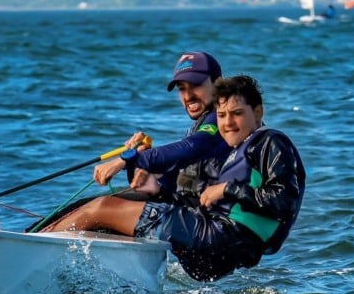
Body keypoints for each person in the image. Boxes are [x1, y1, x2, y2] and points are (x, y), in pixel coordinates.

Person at [42, 75, 306, 282]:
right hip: (213, 250)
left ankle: (32, 250)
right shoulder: (233, 153)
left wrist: (226, 189)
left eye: (237, 114)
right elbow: (189, 199)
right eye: (222, 115)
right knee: (110, 217)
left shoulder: (270, 142)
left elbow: (283, 201)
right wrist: (154, 187)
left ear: (257, 113)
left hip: (222, 239)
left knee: (101, 209)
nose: (227, 123)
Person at [26, 51, 230, 232]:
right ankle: (29, 237)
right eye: (181, 89)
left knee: (97, 208)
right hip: (186, 213)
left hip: (206, 227)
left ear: (218, 84)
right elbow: (165, 189)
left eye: (195, 85)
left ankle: (27, 245)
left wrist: (128, 159)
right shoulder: (202, 124)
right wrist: (144, 167)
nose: (188, 96)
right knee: (84, 205)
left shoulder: (223, 121)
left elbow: (190, 147)